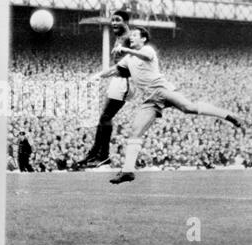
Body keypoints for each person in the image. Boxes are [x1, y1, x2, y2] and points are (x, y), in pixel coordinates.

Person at [100, 27, 244, 184]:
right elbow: (115, 70)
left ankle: (228, 115)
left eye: (135, 35)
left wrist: (125, 49)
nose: (132, 37)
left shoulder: (147, 50)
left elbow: (145, 55)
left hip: (162, 90)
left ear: (143, 39)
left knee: (188, 108)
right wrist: (98, 75)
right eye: (131, 36)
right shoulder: (128, 59)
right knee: (135, 131)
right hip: (150, 99)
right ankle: (128, 171)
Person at [78, 10, 135, 167]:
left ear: (126, 22)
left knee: (105, 117)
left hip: (125, 80)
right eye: (113, 20)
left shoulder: (130, 38)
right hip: (119, 79)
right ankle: (95, 153)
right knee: (103, 118)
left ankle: (103, 155)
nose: (114, 23)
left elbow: (126, 65)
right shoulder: (119, 37)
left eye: (118, 20)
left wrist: (100, 75)